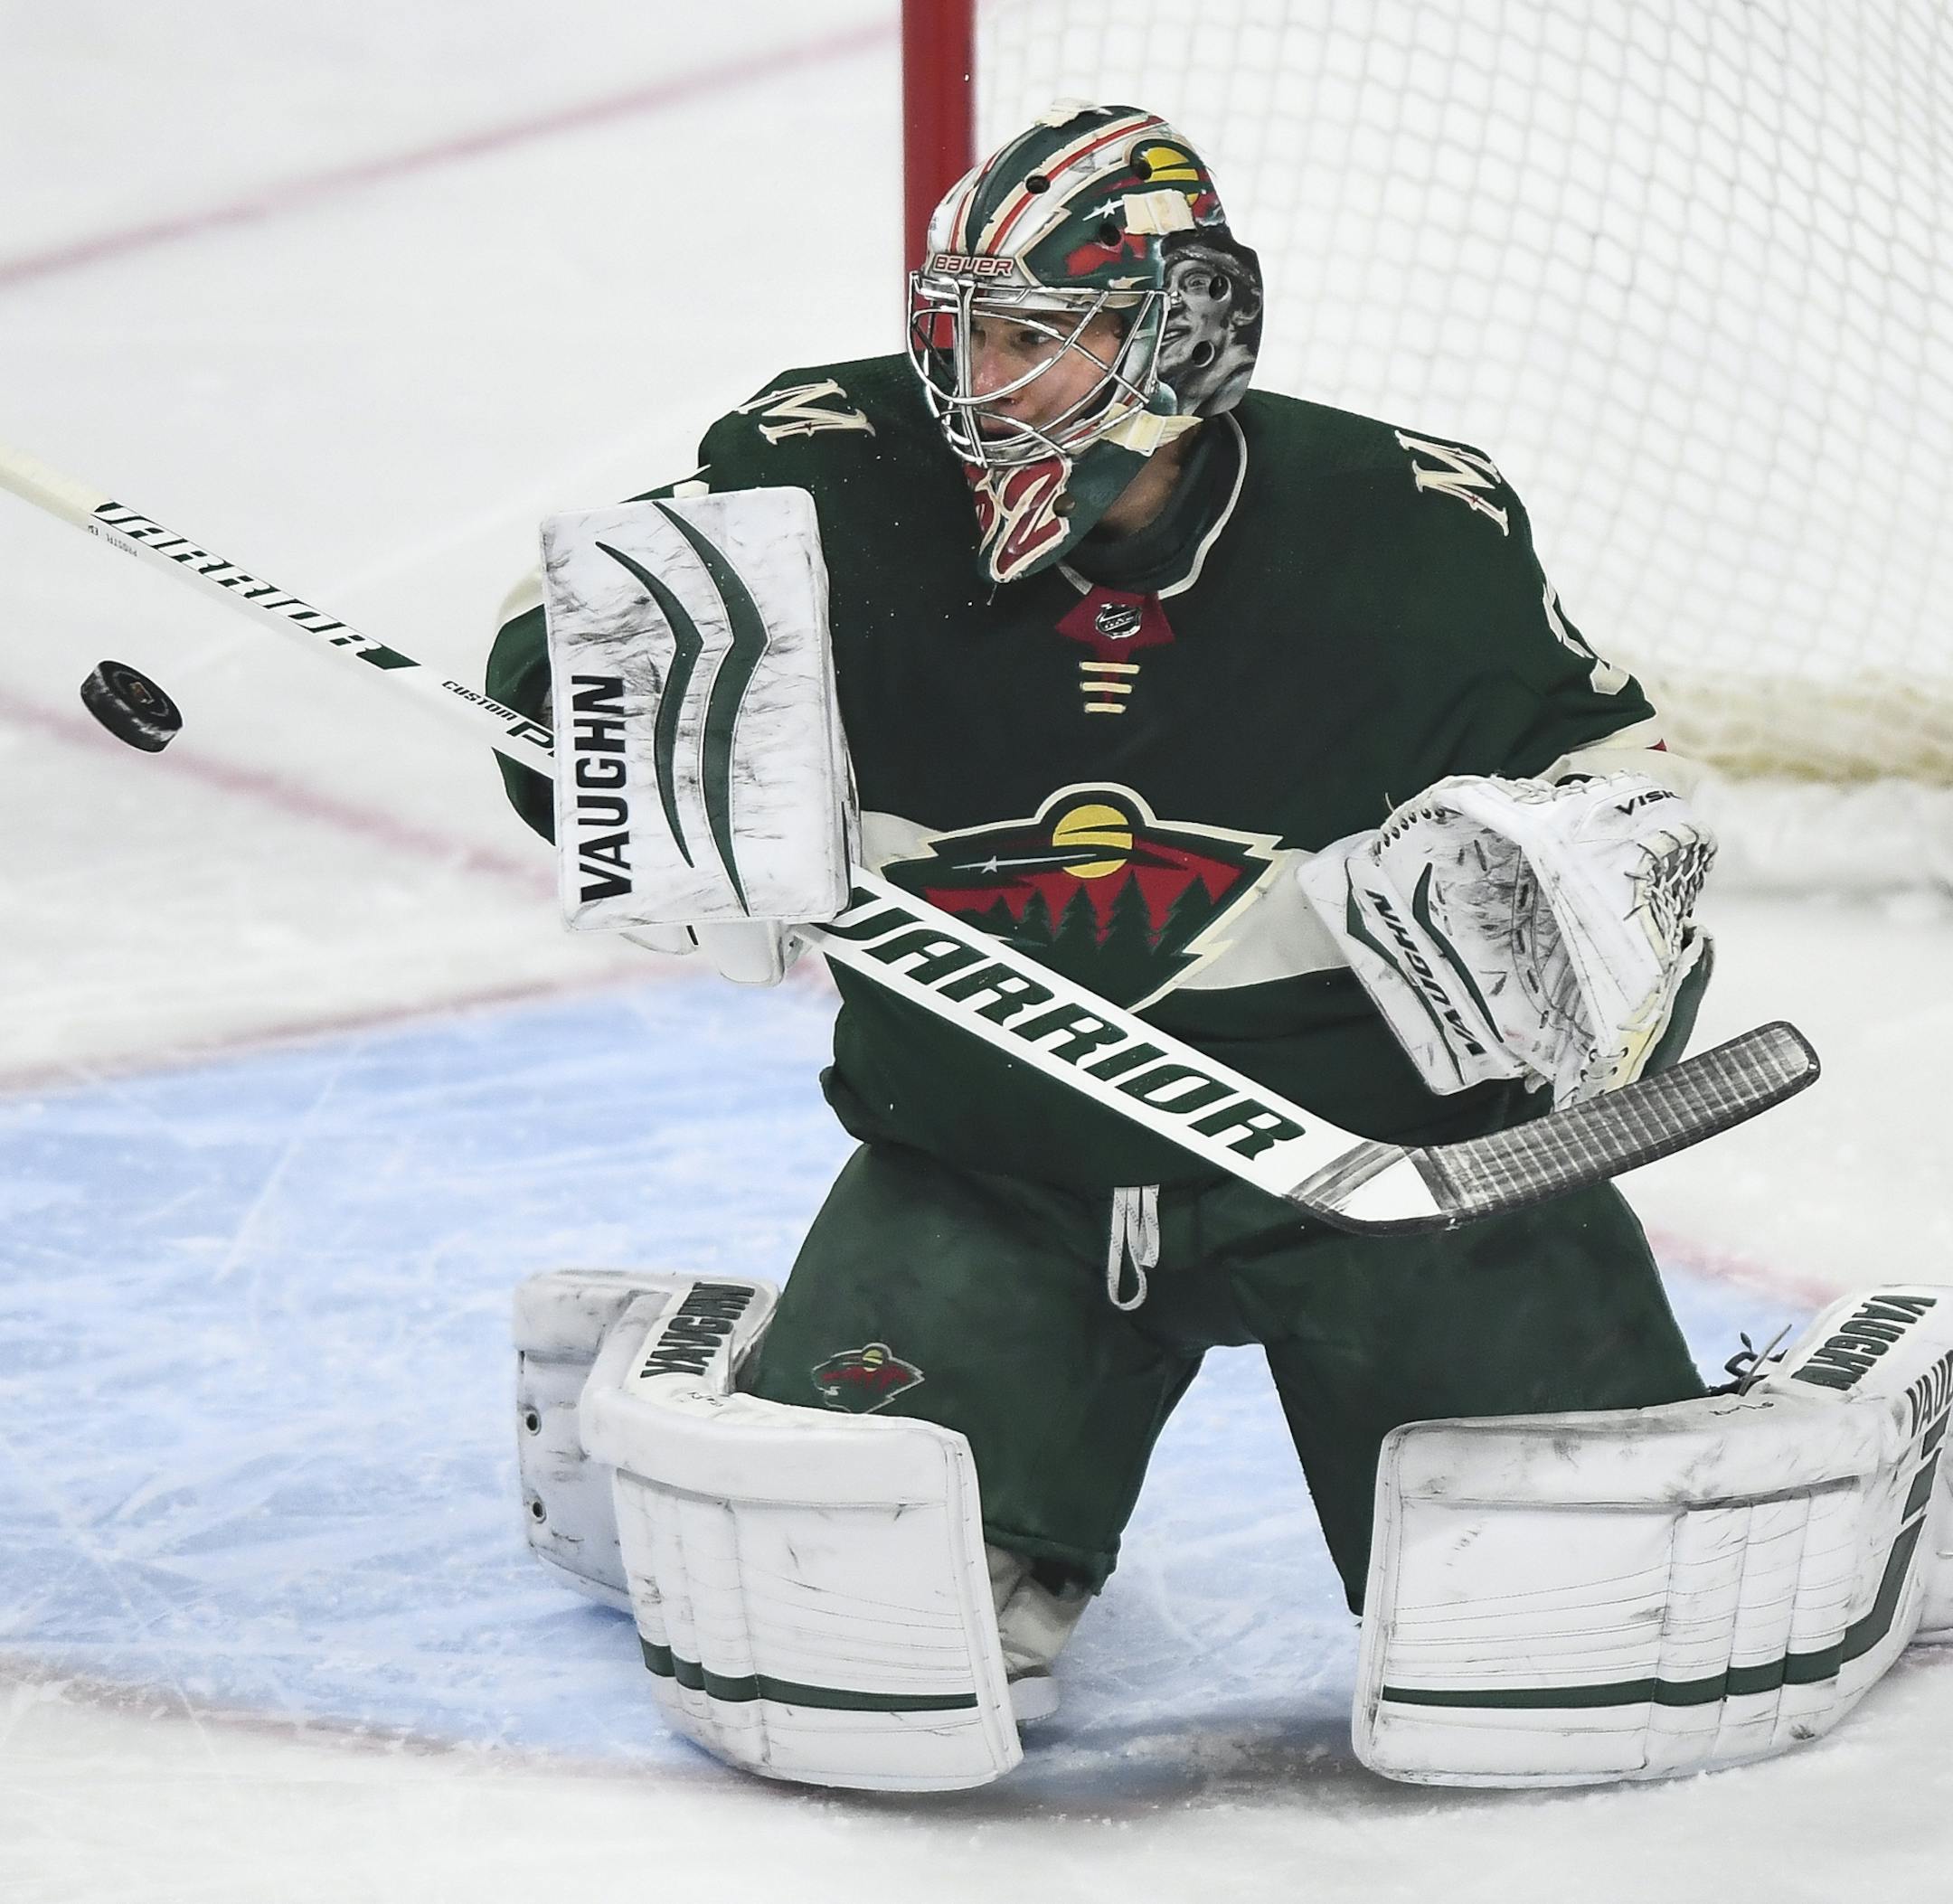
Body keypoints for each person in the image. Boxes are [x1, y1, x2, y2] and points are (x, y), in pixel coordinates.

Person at [487, 102, 1711, 1716]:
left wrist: (1545, 909)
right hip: (997, 1174)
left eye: (1030, 339)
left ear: (1187, 339)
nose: (969, 382)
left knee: (1584, 1637)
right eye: (959, 330)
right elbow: (563, 635)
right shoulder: (829, 475)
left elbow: (1635, 809)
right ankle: (811, 1387)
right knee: (842, 1644)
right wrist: (641, 739)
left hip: (1390, 1190)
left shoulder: (1401, 525)